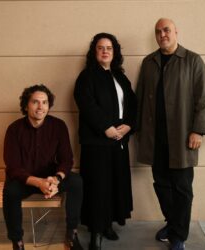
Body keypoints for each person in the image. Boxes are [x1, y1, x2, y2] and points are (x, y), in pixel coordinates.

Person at [136, 18, 205, 250]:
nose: (162, 35)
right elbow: (139, 97)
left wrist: (198, 130)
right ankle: (172, 223)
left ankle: (179, 235)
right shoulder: (149, 62)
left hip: (181, 138)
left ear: (176, 32)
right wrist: (135, 128)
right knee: (161, 184)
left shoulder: (192, 60)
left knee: (182, 188)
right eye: (158, 32)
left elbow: (204, 99)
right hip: (155, 138)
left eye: (166, 30)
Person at [74, 33, 137, 250]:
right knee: (97, 187)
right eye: (100, 47)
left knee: (114, 185)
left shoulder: (121, 77)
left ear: (115, 51)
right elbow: (87, 104)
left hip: (119, 140)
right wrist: (105, 128)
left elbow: (132, 105)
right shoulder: (86, 76)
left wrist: (129, 125)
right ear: (94, 52)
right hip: (96, 142)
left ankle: (108, 224)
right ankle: (95, 233)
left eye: (109, 47)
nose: (105, 51)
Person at [3, 84, 84, 250]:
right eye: (35, 102)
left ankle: (72, 232)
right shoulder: (14, 129)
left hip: (50, 178)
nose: (41, 107)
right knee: (10, 191)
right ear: (26, 105)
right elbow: (13, 167)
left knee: (76, 182)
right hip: (24, 180)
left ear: (49, 105)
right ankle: (17, 241)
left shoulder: (59, 126)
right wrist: (38, 182)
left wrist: (56, 178)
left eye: (45, 102)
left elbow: (67, 159)